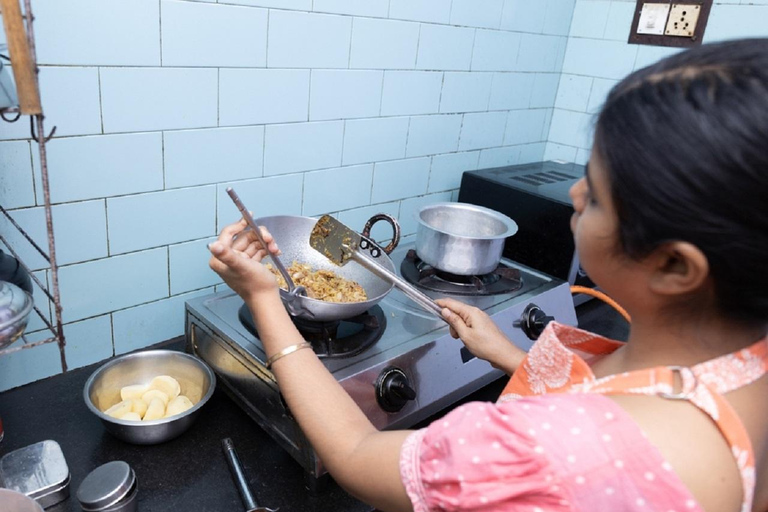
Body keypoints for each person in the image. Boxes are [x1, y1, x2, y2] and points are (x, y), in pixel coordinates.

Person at [209, 38, 768, 512]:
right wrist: (507, 354)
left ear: (674, 265)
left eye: (595, 193)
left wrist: (263, 296)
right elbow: (617, 401)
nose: (573, 193)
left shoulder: (542, 453)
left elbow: (356, 458)